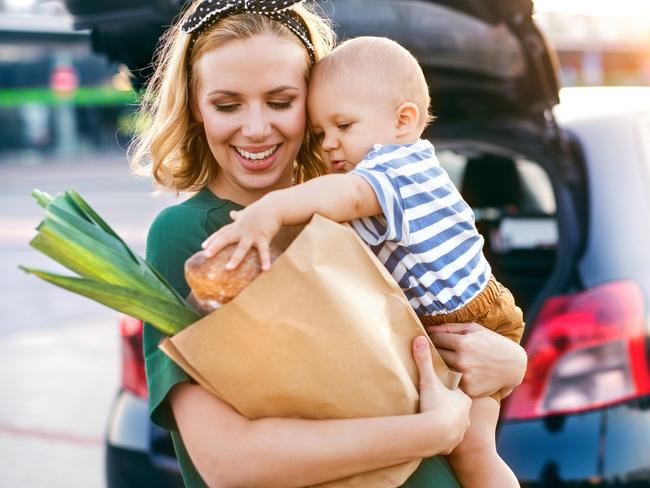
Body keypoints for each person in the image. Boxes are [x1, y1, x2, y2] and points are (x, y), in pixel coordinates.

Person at [130, 1, 527, 486]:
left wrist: (510, 362)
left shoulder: (353, 209)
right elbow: (227, 461)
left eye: (280, 102)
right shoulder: (192, 235)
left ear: (315, 101)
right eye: (227, 104)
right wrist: (432, 430)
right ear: (196, 108)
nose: (256, 128)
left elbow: (438, 330)